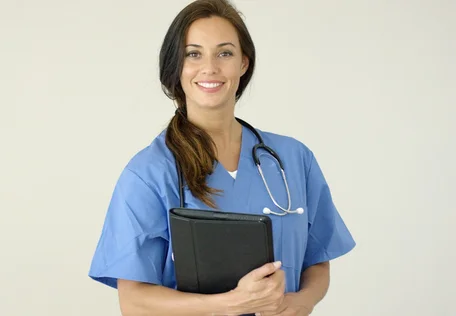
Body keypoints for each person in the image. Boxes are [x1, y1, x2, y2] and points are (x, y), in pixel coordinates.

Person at [87, 0, 356, 315]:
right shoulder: (149, 172)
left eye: (224, 53)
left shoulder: (293, 158)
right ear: (177, 66)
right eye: (193, 53)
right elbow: (134, 303)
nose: (210, 67)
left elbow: (317, 258)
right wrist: (231, 304)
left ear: (243, 63)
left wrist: (303, 301)